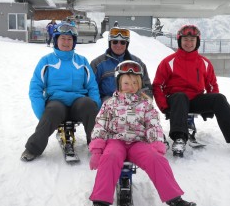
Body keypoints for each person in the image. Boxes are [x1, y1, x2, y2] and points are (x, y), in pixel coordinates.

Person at [88, 60, 196, 206]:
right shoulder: (110, 103)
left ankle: (174, 198)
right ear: (119, 83)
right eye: (126, 83)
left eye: (135, 83)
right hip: (115, 141)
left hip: (138, 142)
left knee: (156, 159)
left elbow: (153, 126)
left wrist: (156, 144)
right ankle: (100, 200)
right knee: (110, 157)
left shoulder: (145, 104)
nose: (131, 87)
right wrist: (97, 150)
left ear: (139, 85)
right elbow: (101, 125)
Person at [152, 24, 230, 157]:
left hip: (195, 99)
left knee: (219, 98)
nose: (189, 43)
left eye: (192, 40)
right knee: (180, 96)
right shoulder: (168, 62)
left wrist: (210, 106)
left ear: (197, 42)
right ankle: (179, 139)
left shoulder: (204, 63)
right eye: (185, 40)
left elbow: (212, 86)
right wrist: (164, 107)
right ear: (179, 41)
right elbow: (158, 86)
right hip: (176, 100)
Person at [21, 22, 101, 161]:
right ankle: (33, 148)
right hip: (57, 102)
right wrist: (42, 113)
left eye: (70, 39)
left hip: (78, 103)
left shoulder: (82, 61)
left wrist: (95, 105)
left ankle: (97, 146)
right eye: (62, 38)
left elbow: (92, 86)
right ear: (56, 40)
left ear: (74, 42)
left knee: (88, 104)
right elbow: (36, 87)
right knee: (53, 110)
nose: (66, 42)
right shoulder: (46, 61)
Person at [90, 27, 152, 102]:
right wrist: (103, 104)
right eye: (115, 42)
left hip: (134, 106)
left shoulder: (137, 64)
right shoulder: (98, 64)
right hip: (108, 106)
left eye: (122, 42)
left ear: (127, 44)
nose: (118, 45)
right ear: (110, 43)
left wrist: (141, 102)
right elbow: (91, 88)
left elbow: (147, 88)